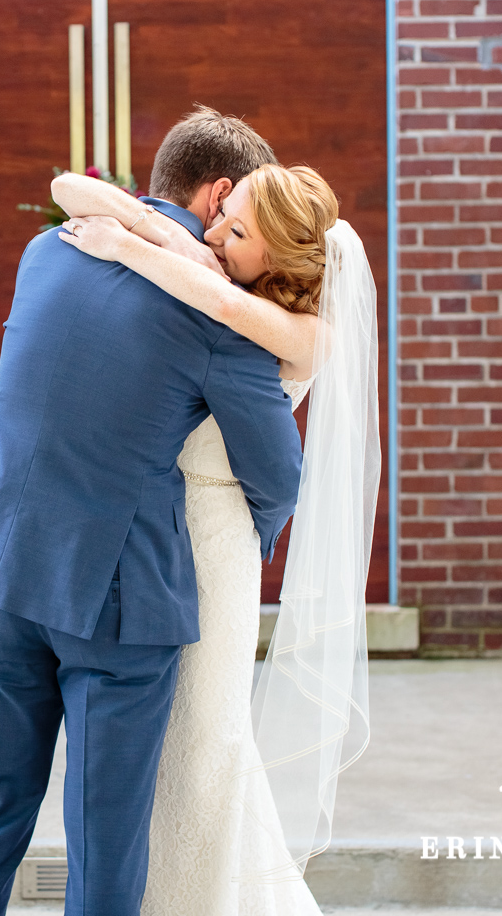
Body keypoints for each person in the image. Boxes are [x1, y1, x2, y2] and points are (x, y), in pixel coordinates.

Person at [0, 109, 303, 916]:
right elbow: (276, 473)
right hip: (115, 598)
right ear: (221, 195)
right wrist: (244, 542)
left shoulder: (46, 251)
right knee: (106, 848)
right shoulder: (217, 317)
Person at [54, 111, 381, 915]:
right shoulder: (225, 275)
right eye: (223, 223)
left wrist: (131, 245)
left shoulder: (298, 332)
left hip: (218, 544)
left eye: (236, 232)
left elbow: (217, 305)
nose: (218, 240)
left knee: (204, 743)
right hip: (168, 535)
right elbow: (68, 190)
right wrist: (133, 217)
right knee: (166, 751)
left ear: (280, 250)